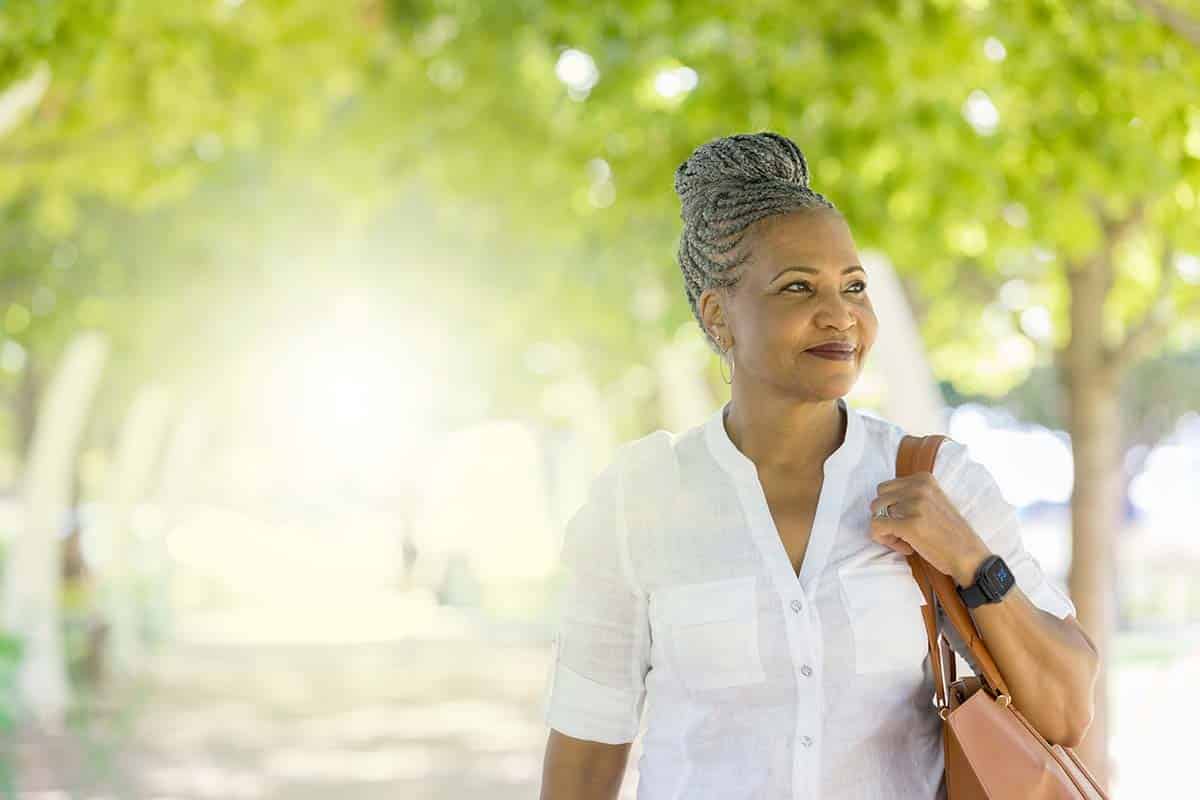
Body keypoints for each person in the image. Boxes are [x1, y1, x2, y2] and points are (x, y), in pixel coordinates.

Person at [539, 132, 1099, 800]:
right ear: (720, 317)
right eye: (797, 287)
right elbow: (584, 751)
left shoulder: (937, 479)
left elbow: (1066, 710)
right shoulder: (639, 499)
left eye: (854, 286)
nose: (840, 315)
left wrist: (972, 560)